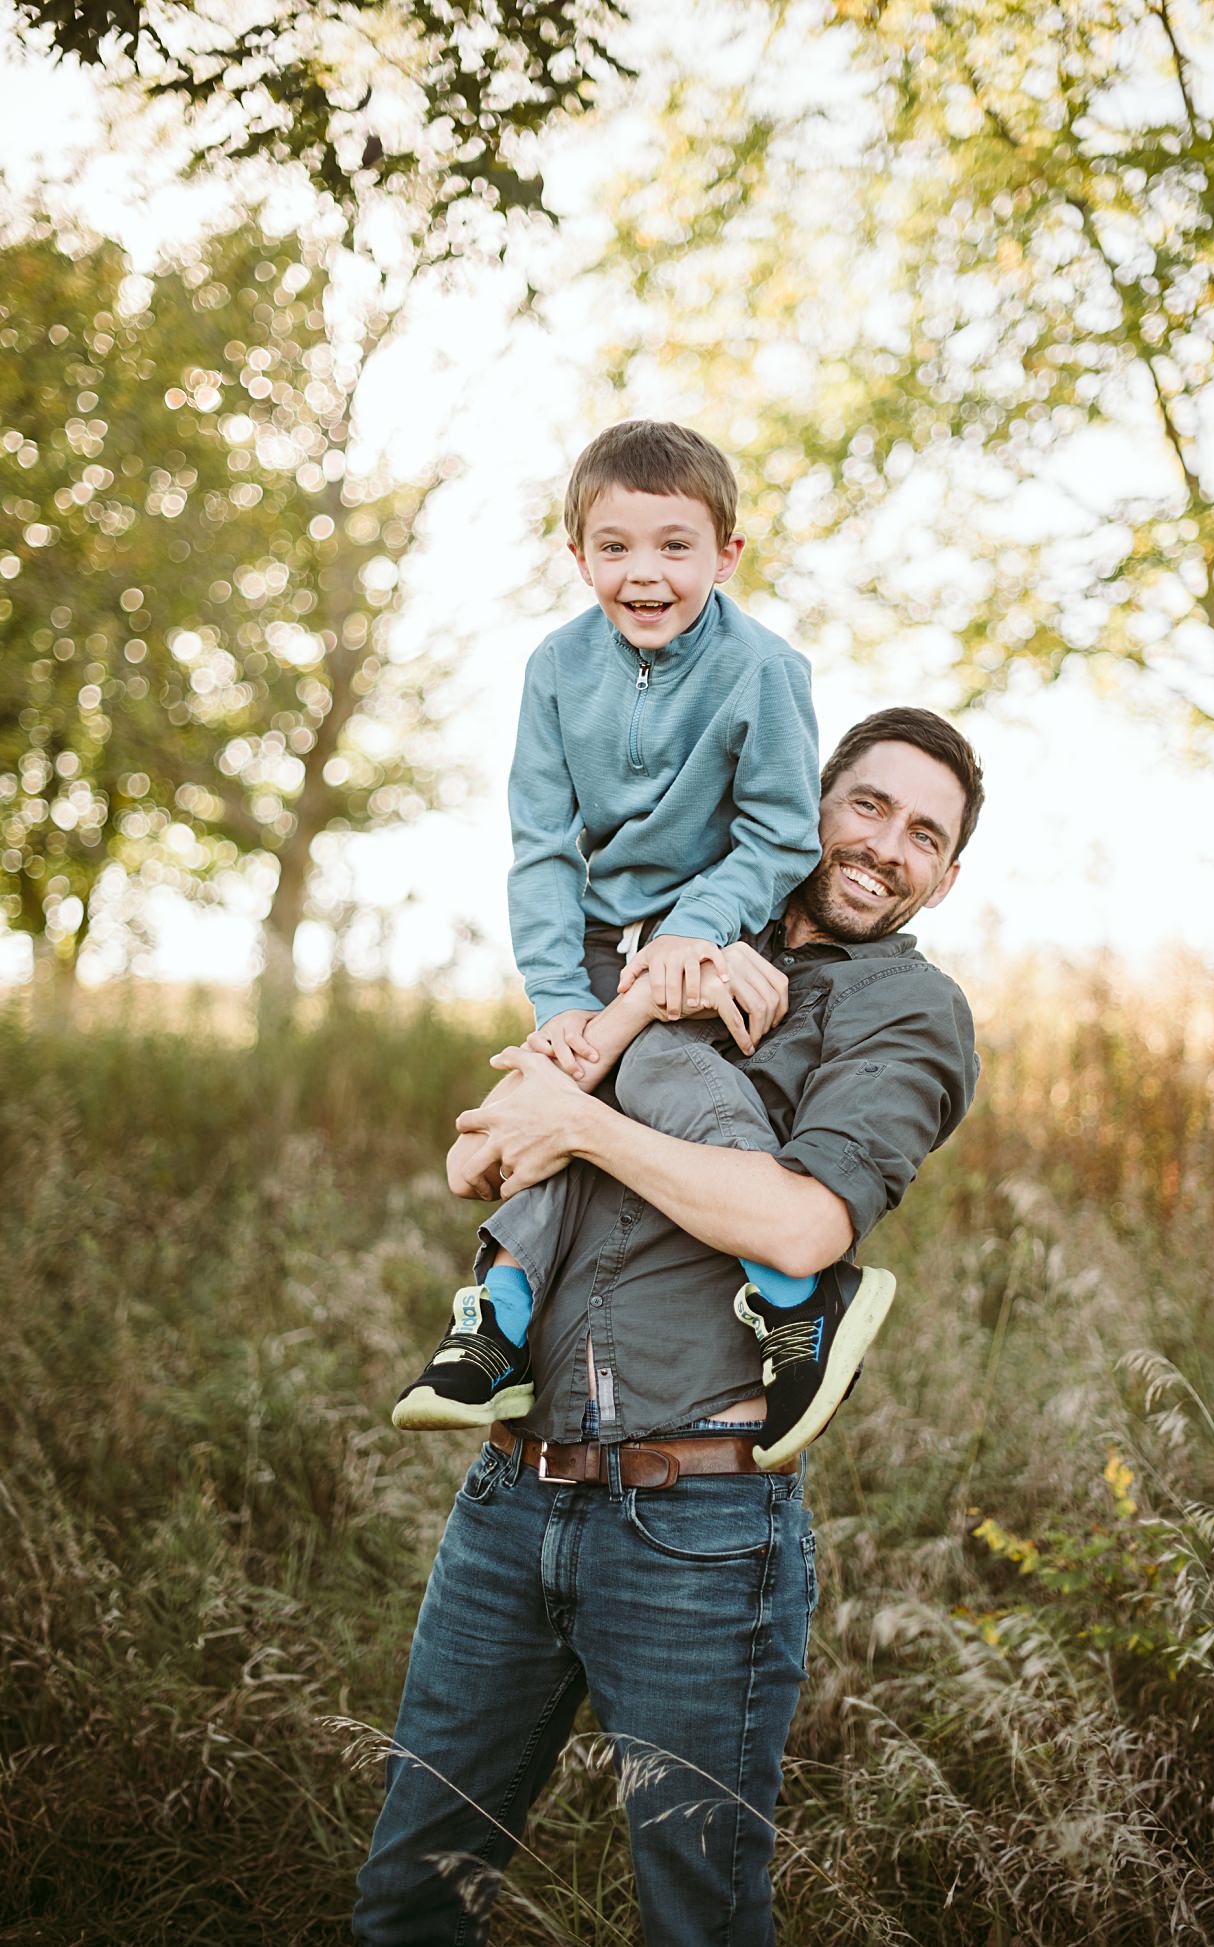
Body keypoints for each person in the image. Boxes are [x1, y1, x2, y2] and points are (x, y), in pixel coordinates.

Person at [354, 707, 984, 1947]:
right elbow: (476, 1157)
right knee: (410, 1897)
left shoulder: (908, 1014)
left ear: (946, 877)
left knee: (695, 1923)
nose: (884, 845)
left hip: (699, 1527)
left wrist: (592, 1121)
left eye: (923, 834)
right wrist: (647, 998)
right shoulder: (672, 936)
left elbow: (801, 1228)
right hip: (509, 1501)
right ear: (808, 801)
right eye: (865, 804)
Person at [392, 419, 829, 1441]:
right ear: (576, 553)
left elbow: (781, 833)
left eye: (675, 546)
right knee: (556, 1094)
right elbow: (540, 848)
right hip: (596, 945)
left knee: (661, 1079)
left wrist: (697, 929)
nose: (645, 574)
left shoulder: (765, 669)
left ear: (726, 553)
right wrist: (557, 1004)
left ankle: (791, 1290)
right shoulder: (554, 669)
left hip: (719, 939)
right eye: (615, 547)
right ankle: (496, 1325)